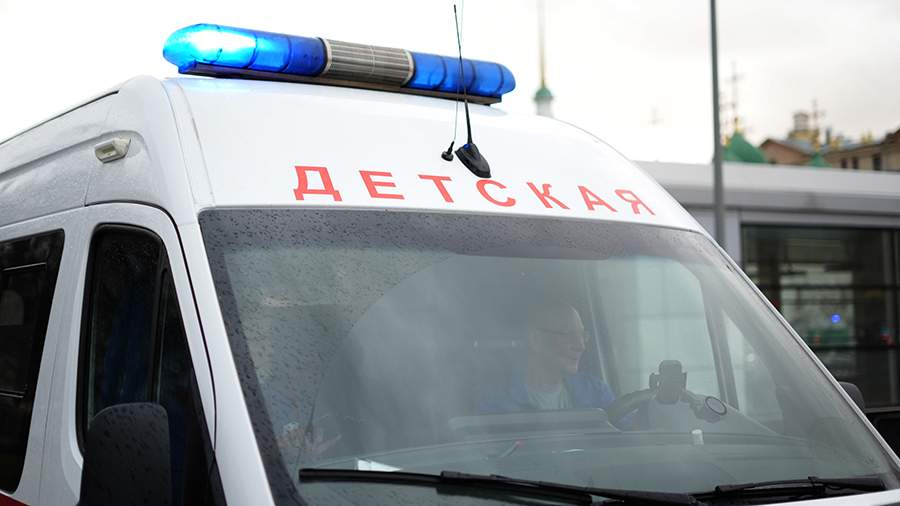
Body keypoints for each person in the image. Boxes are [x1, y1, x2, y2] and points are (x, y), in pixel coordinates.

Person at [477, 304, 616, 413]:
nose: (581, 346)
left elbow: (623, 431)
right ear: (536, 340)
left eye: (582, 335)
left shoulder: (596, 392)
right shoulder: (494, 398)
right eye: (568, 333)